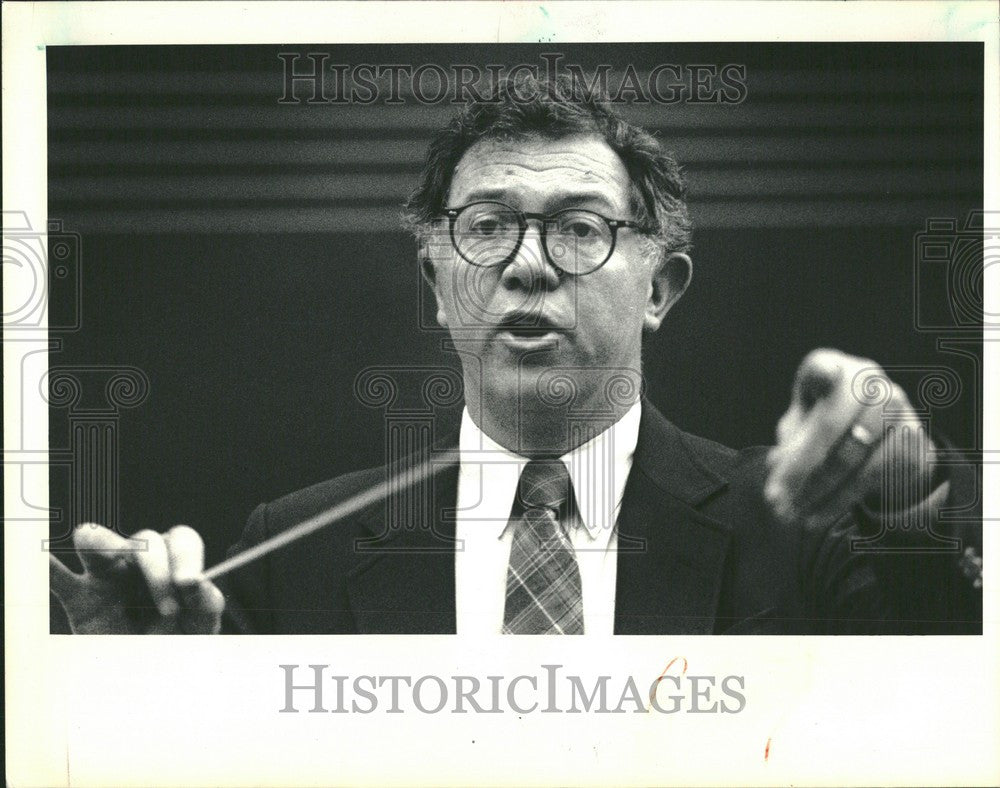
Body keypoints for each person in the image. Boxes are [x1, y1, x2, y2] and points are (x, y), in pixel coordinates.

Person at [49, 74, 982, 635]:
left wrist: (919, 494)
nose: (528, 266)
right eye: (488, 226)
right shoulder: (288, 556)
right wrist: (128, 701)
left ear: (660, 289)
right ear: (437, 280)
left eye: (579, 228)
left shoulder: (801, 535)